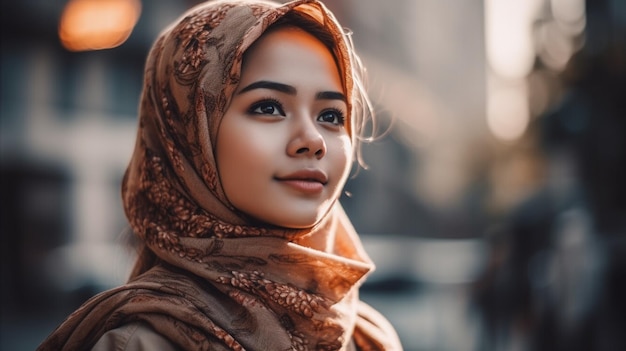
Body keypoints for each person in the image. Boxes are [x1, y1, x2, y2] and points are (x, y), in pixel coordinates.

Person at [37, 0, 402, 350]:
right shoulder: (141, 342)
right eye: (269, 107)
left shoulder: (367, 338)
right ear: (187, 133)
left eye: (331, 115)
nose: (313, 141)